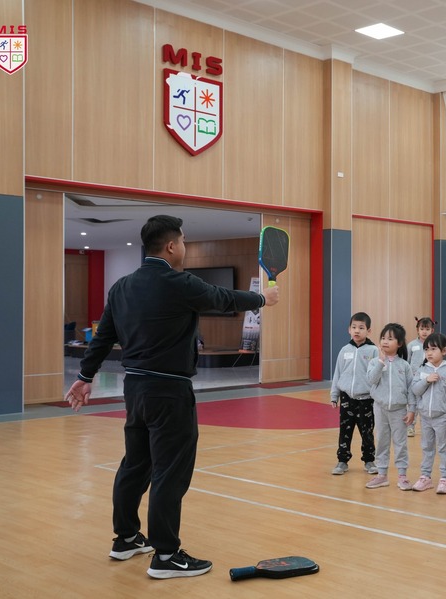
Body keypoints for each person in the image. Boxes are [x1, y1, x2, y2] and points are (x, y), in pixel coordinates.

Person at [65, 215, 278, 579]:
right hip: (169, 391)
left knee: (136, 464)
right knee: (169, 471)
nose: (184, 247)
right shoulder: (180, 283)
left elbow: (103, 338)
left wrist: (85, 377)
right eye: (183, 241)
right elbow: (223, 298)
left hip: (134, 390)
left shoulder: (122, 287)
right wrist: (263, 297)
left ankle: (126, 538)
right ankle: (166, 555)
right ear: (170, 246)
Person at [365, 323, 414, 491]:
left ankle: (402, 476)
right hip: (380, 409)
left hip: (399, 410)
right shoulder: (374, 362)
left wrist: (411, 410)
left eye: (390, 339)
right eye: (383, 338)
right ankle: (382, 475)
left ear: (399, 343)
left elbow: (411, 389)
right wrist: (381, 362)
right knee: (381, 441)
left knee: (400, 443)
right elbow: (371, 380)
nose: (385, 341)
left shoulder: (404, 366)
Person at [409, 333, 446, 493]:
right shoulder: (422, 370)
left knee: (445, 449)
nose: (429, 353)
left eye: (433, 349)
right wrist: (426, 380)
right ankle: (425, 477)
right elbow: (415, 390)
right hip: (425, 418)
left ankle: (445, 478)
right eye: (426, 350)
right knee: (427, 448)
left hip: (442, 418)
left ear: (444, 351)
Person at [330, 312, 379, 476]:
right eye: (354, 327)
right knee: (345, 430)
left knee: (367, 431)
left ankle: (369, 460)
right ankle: (342, 461)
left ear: (369, 331)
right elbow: (338, 373)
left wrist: (378, 396)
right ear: (349, 329)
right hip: (346, 398)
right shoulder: (344, 350)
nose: (357, 331)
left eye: (361, 328)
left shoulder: (373, 351)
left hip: (366, 399)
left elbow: (378, 375)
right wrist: (334, 395)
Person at [407, 316, 435, 437]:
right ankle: (410, 426)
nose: (424, 332)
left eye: (427, 329)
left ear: (432, 330)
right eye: (422, 329)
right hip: (414, 381)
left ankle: (427, 427)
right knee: (412, 403)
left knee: (426, 403)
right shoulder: (411, 345)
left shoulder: (434, 345)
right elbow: (407, 362)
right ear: (417, 330)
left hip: (429, 381)